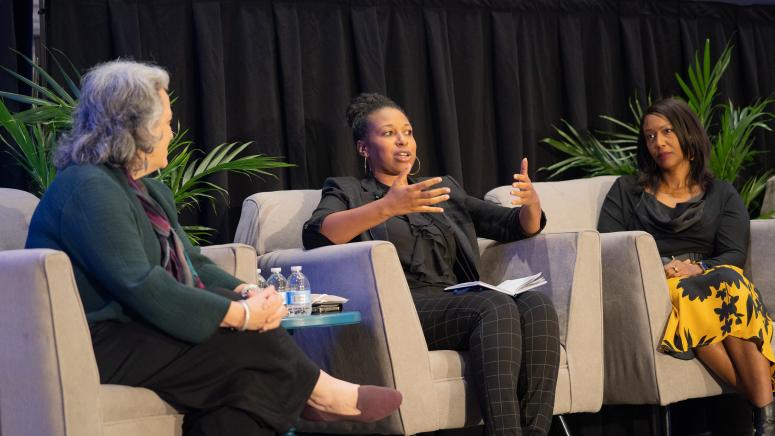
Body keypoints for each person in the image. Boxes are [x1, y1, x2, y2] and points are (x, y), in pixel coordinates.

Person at [25, 61, 401, 436]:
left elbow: (192, 262)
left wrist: (246, 292)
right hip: (100, 340)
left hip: (138, 327)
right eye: (166, 122)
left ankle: (315, 394)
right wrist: (242, 316)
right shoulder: (88, 187)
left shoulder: (146, 188)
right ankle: (320, 394)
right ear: (137, 128)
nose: (173, 133)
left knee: (243, 388)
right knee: (245, 346)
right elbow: (140, 284)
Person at [302, 93, 560, 436]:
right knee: (492, 305)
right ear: (364, 148)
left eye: (407, 132)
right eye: (388, 133)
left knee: (537, 305)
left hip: (456, 298)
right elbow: (317, 234)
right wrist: (388, 206)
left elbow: (514, 225)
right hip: (401, 308)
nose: (402, 141)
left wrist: (531, 202)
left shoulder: (442, 190)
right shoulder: (349, 190)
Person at [598, 97, 775, 435]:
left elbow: (733, 253)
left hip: (712, 279)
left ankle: (763, 421)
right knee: (703, 293)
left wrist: (699, 267)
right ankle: (765, 411)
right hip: (657, 284)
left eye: (666, 131)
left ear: (687, 134)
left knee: (727, 281)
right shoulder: (626, 191)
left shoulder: (721, 194)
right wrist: (661, 268)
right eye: (650, 136)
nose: (658, 142)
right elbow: (609, 247)